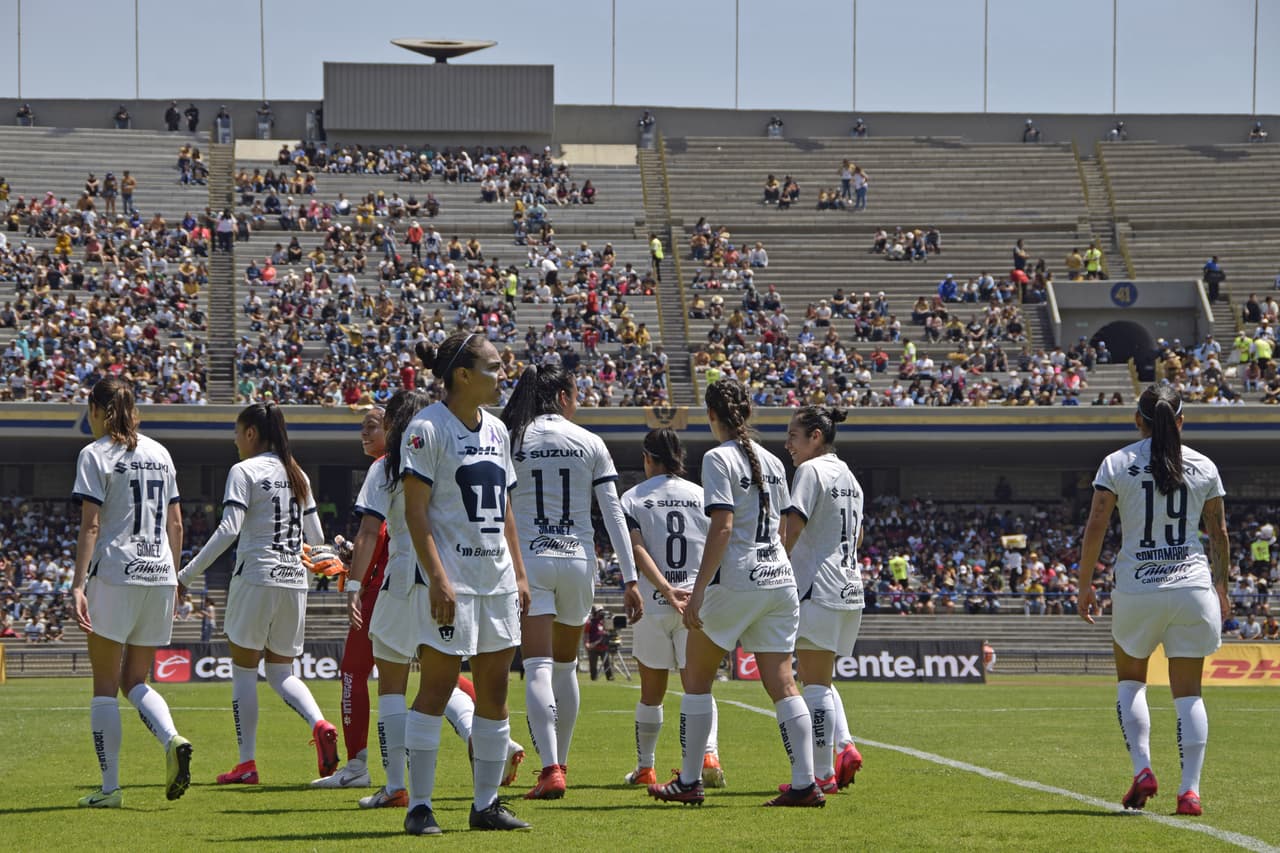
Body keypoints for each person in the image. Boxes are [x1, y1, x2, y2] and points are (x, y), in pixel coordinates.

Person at [368, 333, 532, 835]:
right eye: (494, 367)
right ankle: (419, 805)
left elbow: (504, 507)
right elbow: (414, 513)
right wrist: (438, 578)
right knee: (436, 688)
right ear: (463, 375)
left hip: (496, 580)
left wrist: (520, 573)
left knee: (495, 692)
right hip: (451, 583)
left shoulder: (498, 431)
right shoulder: (425, 428)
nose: (502, 375)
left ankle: (485, 803)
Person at [649, 379, 821, 808]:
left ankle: (689, 781)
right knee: (783, 682)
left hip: (740, 578)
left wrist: (700, 592)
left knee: (695, 679)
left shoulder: (717, 458)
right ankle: (805, 783)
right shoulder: (774, 462)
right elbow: (782, 530)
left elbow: (723, 528)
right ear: (748, 413)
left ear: (712, 416)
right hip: (778, 578)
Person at [1078, 385, 1230, 818]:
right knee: (1189, 694)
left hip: (1137, 588)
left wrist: (1084, 584)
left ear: (1136, 420)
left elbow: (1096, 525)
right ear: (1181, 420)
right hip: (1192, 588)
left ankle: (1143, 770)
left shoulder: (1117, 463)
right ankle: (1190, 791)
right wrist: (1221, 588)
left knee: (1131, 683)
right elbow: (1218, 534)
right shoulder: (1204, 465)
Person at [177, 403, 339, 786]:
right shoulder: (297, 474)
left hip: (256, 577)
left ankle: (247, 763)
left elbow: (229, 529)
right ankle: (319, 722)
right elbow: (317, 540)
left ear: (251, 433)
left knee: (244, 673)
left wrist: (186, 575)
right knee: (282, 672)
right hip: (293, 580)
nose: (235, 440)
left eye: (237, 432)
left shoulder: (243, 471)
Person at [500, 364, 642, 800]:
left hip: (530, 561)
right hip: (578, 561)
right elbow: (613, 512)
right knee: (566, 668)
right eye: (577, 392)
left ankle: (548, 770)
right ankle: (562, 761)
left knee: (538, 667)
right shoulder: (589, 441)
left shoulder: (511, 438)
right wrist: (631, 577)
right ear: (563, 395)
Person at [70, 377, 192, 808]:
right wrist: (176, 579)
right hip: (160, 573)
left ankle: (109, 790)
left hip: (117, 574)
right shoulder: (160, 452)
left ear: (96, 409)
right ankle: (171, 737)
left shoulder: (94, 454)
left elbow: (91, 525)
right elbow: (176, 525)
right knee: (136, 680)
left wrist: (78, 583)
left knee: (105, 685)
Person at [619, 428, 724, 788]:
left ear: (648, 458)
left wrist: (664, 588)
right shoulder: (703, 494)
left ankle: (646, 766)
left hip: (654, 602)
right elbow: (720, 539)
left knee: (651, 690)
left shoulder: (632, 497)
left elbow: (635, 549)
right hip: (696, 601)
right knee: (699, 686)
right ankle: (708, 754)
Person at [780, 406, 865, 793]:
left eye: (794, 437)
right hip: (849, 587)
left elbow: (791, 529)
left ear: (815, 436)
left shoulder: (811, 471)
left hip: (818, 586)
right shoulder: (851, 477)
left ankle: (822, 774)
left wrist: (776, 569)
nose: (788, 446)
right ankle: (842, 749)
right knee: (821, 681)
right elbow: (858, 538)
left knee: (812, 686)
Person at [583, 607, 613, 681]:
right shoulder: (590, 623)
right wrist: (586, 643)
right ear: (595, 613)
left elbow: (610, 630)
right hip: (593, 646)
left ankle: (609, 677)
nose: (601, 614)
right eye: (599, 612)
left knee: (607, 663)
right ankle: (594, 678)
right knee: (593, 664)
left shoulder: (603, 622)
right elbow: (586, 634)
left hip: (603, 646)